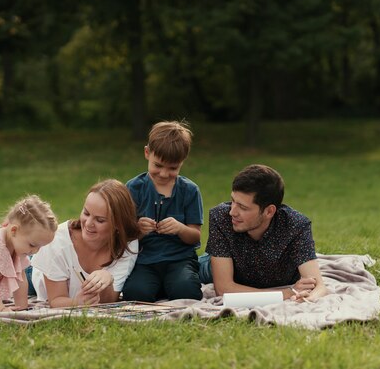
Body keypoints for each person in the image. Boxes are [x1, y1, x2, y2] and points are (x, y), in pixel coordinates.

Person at [200, 164, 328, 302]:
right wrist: (287, 293)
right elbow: (223, 289)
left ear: (269, 211)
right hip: (219, 265)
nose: (232, 212)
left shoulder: (296, 225)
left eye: (242, 207)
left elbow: (319, 287)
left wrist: (306, 298)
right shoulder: (221, 217)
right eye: (233, 201)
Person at [122, 120, 204, 302]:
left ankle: (169, 286)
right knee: (135, 294)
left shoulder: (190, 190)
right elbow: (124, 235)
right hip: (144, 260)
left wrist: (180, 229)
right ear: (146, 153)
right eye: (158, 165)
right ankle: (161, 286)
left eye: (173, 168)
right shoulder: (133, 188)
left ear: (182, 162)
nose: (164, 174)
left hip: (180, 259)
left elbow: (195, 236)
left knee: (187, 290)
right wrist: (138, 230)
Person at [30, 179, 141, 307]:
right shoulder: (57, 242)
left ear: (118, 224)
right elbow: (55, 301)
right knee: (16, 274)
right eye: (86, 213)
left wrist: (108, 279)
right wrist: (76, 303)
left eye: (100, 220)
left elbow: (108, 302)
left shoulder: (127, 244)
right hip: (38, 270)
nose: (88, 224)